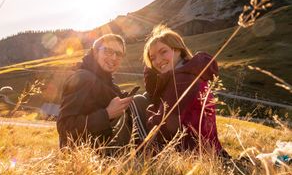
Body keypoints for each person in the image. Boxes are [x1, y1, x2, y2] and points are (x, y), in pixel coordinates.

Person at [57, 34, 148, 155]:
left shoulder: (109, 84)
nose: (114, 57)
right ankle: (150, 154)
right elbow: (65, 128)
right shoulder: (83, 78)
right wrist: (107, 114)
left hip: (104, 147)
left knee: (143, 100)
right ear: (95, 53)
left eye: (119, 54)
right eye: (108, 51)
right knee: (139, 102)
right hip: (86, 156)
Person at [143, 25, 227, 156]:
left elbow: (163, 127)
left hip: (187, 152)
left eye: (163, 52)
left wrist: (148, 112)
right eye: (152, 58)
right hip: (206, 150)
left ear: (178, 50)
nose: (158, 61)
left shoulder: (181, 79)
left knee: (137, 102)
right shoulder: (192, 71)